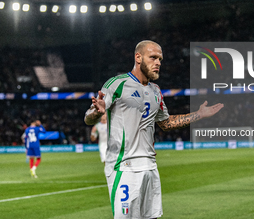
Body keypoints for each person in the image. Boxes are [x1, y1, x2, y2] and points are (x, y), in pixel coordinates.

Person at [84, 40, 224, 218]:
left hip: (150, 167)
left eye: (160, 59)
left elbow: (166, 123)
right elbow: (88, 117)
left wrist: (199, 114)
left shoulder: (156, 90)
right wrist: (96, 112)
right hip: (124, 167)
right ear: (138, 57)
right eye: (153, 57)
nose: (158, 62)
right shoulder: (117, 84)